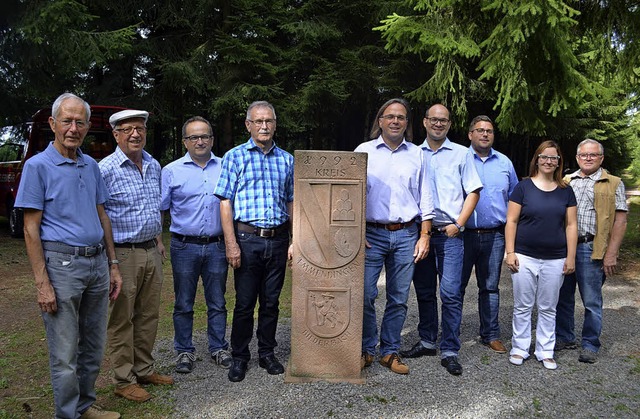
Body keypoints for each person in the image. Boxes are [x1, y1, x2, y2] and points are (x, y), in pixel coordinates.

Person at [15, 93, 122, 419]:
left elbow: (102, 215)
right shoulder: (37, 167)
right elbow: (30, 229)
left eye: (80, 122)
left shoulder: (91, 165)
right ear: (53, 124)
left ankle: (84, 407)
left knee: (93, 347)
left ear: (88, 127)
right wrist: (42, 283)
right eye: (67, 121)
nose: (73, 128)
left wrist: (113, 264)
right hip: (62, 266)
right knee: (64, 353)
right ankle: (67, 414)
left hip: (96, 264)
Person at [214, 101, 294, 383]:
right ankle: (239, 357)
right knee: (245, 303)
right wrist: (231, 243)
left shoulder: (286, 159)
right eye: (258, 121)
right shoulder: (234, 157)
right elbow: (226, 202)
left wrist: (294, 239)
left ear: (275, 124)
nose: (264, 126)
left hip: (278, 239)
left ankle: (267, 353)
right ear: (248, 125)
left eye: (269, 121)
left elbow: (291, 201)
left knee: (271, 302)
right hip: (247, 239)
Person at [401, 104, 482, 376]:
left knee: (450, 294)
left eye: (443, 121)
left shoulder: (462, 154)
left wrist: (459, 224)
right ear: (424, 122)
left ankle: (449, 349)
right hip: (419, 234)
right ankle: (426, 340)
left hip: (449, 235)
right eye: (433, 120)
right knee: (424, 292)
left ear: (449, 124)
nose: (438, 124)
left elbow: (473, 192)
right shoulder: (411, 153)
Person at [354, 98, 434, 375]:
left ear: (407, 123)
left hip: (406, 235)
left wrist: (424, 235)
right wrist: (356, 230)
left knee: (399, 297)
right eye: (390, 116)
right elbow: (351, 196)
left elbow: (426, 197)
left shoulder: (418, 154)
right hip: (371, 235)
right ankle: (365, 348)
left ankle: (389, 351)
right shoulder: (363, 152)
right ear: (380, 121)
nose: (395, 121)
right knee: (364, 294)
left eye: (401, 117)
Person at [100, 109, 173, 402]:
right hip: (123, 253)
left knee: (148, 315)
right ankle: (123, 379)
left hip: (150, 250)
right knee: (122, 318)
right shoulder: (105, 169)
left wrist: (157, 240)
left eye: (140, 128)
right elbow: (100, 215)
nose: (135, 133)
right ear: (116, 134)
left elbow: (150, 206)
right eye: (128, 128)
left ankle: (143, 369)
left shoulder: (153, 164)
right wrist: (111, 261)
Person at [160, 116, 231, 374]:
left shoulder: (226, 167)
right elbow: (161, 209)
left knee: (217, 301)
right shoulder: (171, 171)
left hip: (217, 246)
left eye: (205, 136)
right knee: (183, 302)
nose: (200, 141)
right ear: (185, 142)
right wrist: (158, 239)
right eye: (193, 137)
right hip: (184, 246)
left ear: (212, 139)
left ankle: (218, 347)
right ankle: (184, 351)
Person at [505, 140, 577, 370]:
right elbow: (511, 221)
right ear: (536, 159)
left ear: (559, 162)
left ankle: (545, 350)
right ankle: (520, 347)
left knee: (548, 306)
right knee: (523, 305)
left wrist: (571, 257)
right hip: (524, 256)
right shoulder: (523, 188)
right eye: (544, 157)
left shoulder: (566, 191)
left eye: (553, 158)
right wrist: (510, 252)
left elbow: (571, 225)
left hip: (556, 258)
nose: (548, 161)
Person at [555, 139, 628, 364]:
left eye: (593, 155)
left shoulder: (613, 182)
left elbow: (620, 221)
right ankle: (565, 337)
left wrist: (611, 253)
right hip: (565, 248)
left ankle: (590, 344)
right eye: (584, 155)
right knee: (563, 297)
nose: (588, 158)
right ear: (577, 158)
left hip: (591, 248)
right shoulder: (566, 181)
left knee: (592, 301)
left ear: (601, 158)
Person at [460, 116, 518, 354]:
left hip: (495, 235)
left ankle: (491, 334)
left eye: (489, 131)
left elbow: (515, 198)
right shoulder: (459, 159)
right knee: (455, 287)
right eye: (480, 130)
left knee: (490, 287)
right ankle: (451, 334)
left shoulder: (504, 162)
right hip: (462, 235)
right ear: (470, 134)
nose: (485, 134)